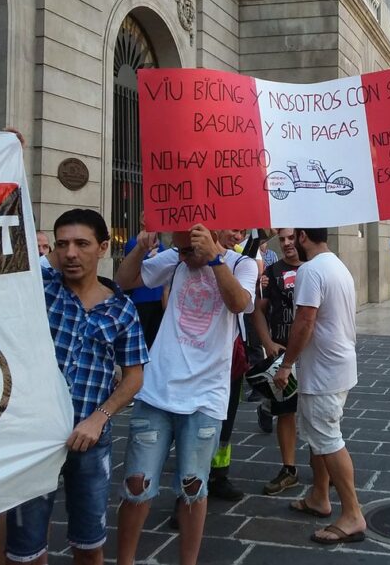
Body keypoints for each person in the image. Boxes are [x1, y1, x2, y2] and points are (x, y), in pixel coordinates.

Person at [5, 209, 148, 565]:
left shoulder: (121, 309)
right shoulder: (38, 290)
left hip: (90, 440)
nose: (70, 253)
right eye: (62, 244)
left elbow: (134, 376)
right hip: (33, 439)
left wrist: (99, 418)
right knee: (25, 549)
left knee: (89, 544)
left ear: (102, 248)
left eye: (81, 244)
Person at [114, 224, 256, 565]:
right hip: (157, 392)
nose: (186, 252)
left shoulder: (241, 265)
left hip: (205, 397)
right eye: (183, 246)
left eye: (192, 246)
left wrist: (214, 260)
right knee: (137, 486)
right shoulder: (175, 259)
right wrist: (140, 247)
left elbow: (240, 304)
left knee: (194, 487)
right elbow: (125, 280)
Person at [272, 228, 366, 545]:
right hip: (337, 366)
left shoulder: (310, 270)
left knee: (328, 439)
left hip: (324, 371)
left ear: (301, 236)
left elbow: (304, 321)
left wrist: (286, 365)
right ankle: (319, 496)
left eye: (291, 236)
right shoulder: (337, 265)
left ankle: (352, 513)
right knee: (319, 436)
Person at [252, 228, 303, 494]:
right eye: (281, 239)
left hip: (312, 355)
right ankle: (289, 468)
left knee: (316, 413)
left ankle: (325, 464)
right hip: (281, 355)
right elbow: (257, 311)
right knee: (285, 412)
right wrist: (268, 343)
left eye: (291, 238)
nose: (286, 244)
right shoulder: (271, 273)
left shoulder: (315, 267)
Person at [122, 212, 167, 348]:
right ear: (142, 220)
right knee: (139, 343)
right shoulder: (133, 244)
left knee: (153, 342)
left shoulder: (162, 247)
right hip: (140, 301)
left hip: (157, 301)